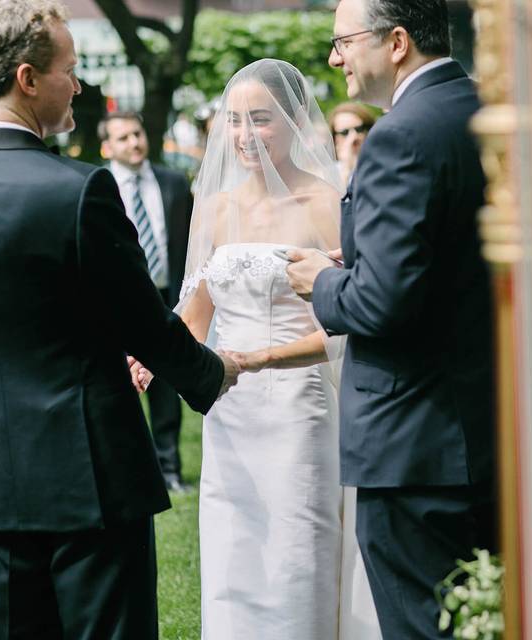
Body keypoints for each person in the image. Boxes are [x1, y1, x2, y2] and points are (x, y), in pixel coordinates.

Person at [0, 2, 239, 638]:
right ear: (27, 79)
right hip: (93, 478)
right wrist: (215, 373)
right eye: (69, 70)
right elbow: (145, 323)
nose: (78, 84)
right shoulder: (78, 190)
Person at [286, 1, 498, 637]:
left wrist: (322, 281)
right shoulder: (482, 110)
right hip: (482, 424)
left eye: (343, 42)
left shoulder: (402, 134)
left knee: (421, 623)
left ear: (397, 41)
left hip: (414, 441)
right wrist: (364, 255)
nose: (334, 58)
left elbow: (380, 304)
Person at [173, 59, 380, 639]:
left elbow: (348, 321)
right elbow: (195, 317)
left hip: (301, 409)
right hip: (230, 412)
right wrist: (154, 353)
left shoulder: (326, 204)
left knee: (296, 550)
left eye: (259, 120)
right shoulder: (214, 208)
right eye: (234, 121)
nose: (243, 136)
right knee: (235, 549)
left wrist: (259, 360)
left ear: (292, 121)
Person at [100, 111, 194, 492]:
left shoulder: (172, 183)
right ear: (108, 146)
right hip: (117, 301)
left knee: (165, 386)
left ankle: (169, 468)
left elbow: (188, 243)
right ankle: (125, 473)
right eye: (122, 138)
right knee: (117, 386)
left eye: (137, 134)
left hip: (164, 296)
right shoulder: (97, 185)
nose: (134, 143)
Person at [328, 101, 376, 184]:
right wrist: (346, 167)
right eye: (345, 132)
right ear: (335, 139)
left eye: (359, 129)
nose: (353, 137)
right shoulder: (328, 174)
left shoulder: (381, 163)